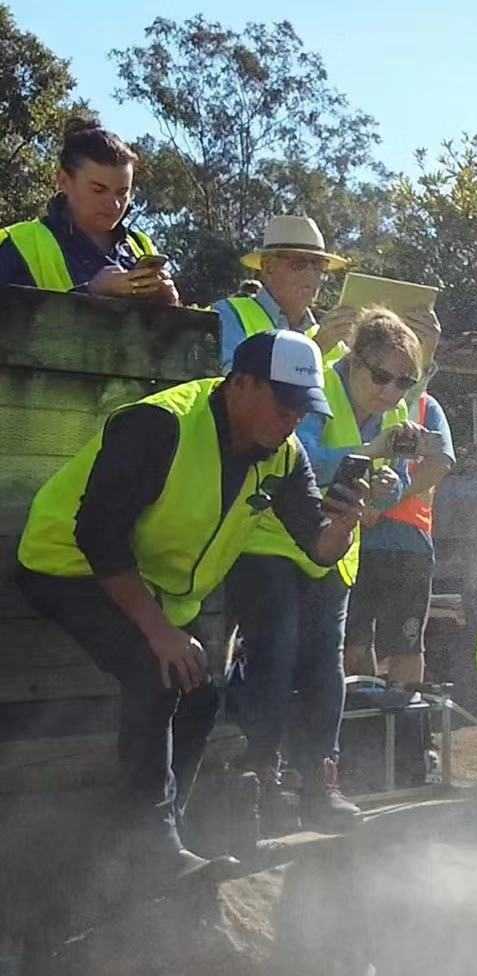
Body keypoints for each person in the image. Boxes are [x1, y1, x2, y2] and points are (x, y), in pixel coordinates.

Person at [13, 331, 365, 880]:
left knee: (201, 698)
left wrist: (344, 525)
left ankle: (161, 831)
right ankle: (149, 846)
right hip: (67, 564)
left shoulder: (284, 456)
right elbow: (97, 535)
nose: (292, 418)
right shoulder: (159, 425)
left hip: (151, 584)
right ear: (241, 383)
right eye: (283, 402)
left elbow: (315, 543)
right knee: (158, 674)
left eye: (303, 407)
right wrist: (159, 633)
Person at [227, 309, 430, 833]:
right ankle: (261, 785)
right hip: (271, 543)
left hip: (337, 551)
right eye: (381, 377)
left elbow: (396, 479)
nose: (391, 392)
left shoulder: (397, 410)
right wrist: (371, 452)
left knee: (325, 670)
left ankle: (319, 785)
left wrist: (385, 488)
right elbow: (303, 465)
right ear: (354, 361)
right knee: (274, 659)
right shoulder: (314, 389)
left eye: (404, 381)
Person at [346, 387, 456, 684]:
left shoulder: (424, 404)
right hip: (351, 539)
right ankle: (362, 722)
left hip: (408, 541)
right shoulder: (344, 394)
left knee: (406, 644)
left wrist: (384, 503)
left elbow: (441, 462)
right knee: (353, 643)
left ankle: (405, 726)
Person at [0, 119, 176, 302]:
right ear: (63, 181)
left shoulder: (141, 246)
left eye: (122, 192)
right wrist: (90, 293)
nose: (114, 205)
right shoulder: (15, 244)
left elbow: (170, 329)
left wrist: (172, 305)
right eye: (98, 190)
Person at [216, 215, 351, 368]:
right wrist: (316, 349)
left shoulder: (333, 339)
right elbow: (234, 384)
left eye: (318, 265)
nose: (311, 274)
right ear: (268, 267)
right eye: (299, 264)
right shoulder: (227, 314)